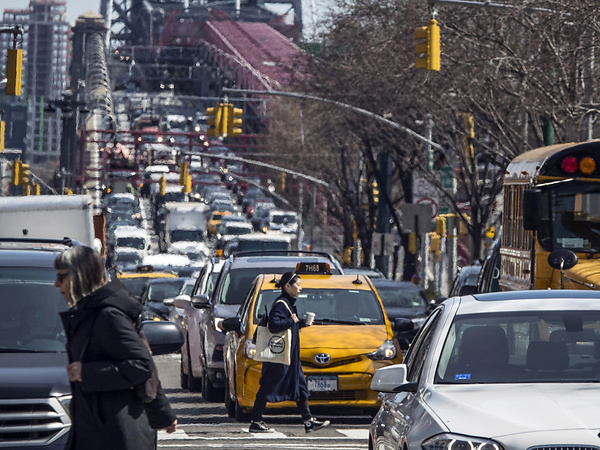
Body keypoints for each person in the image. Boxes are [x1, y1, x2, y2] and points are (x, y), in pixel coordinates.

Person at [54, 246, 177, 449]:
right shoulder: (89, 314)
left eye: (62, 277)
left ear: (80, 277)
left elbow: (141, 365)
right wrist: (163, 415)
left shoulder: (107, 316)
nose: (56, 283)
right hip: (98, 430)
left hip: (115, 433)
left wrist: (86, 372)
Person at [249, 271, 330, 434]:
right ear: (287, 286)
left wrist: (300, 324)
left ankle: (308, 421)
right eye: (298, 285)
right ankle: (255, 421)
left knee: (300, 387)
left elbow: (287, 328)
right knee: (267, 386)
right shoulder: (281, 303)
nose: (300, 288)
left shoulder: (287, 302)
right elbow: (274, 325)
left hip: (290, 356)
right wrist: (291, 321)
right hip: (280, 357)